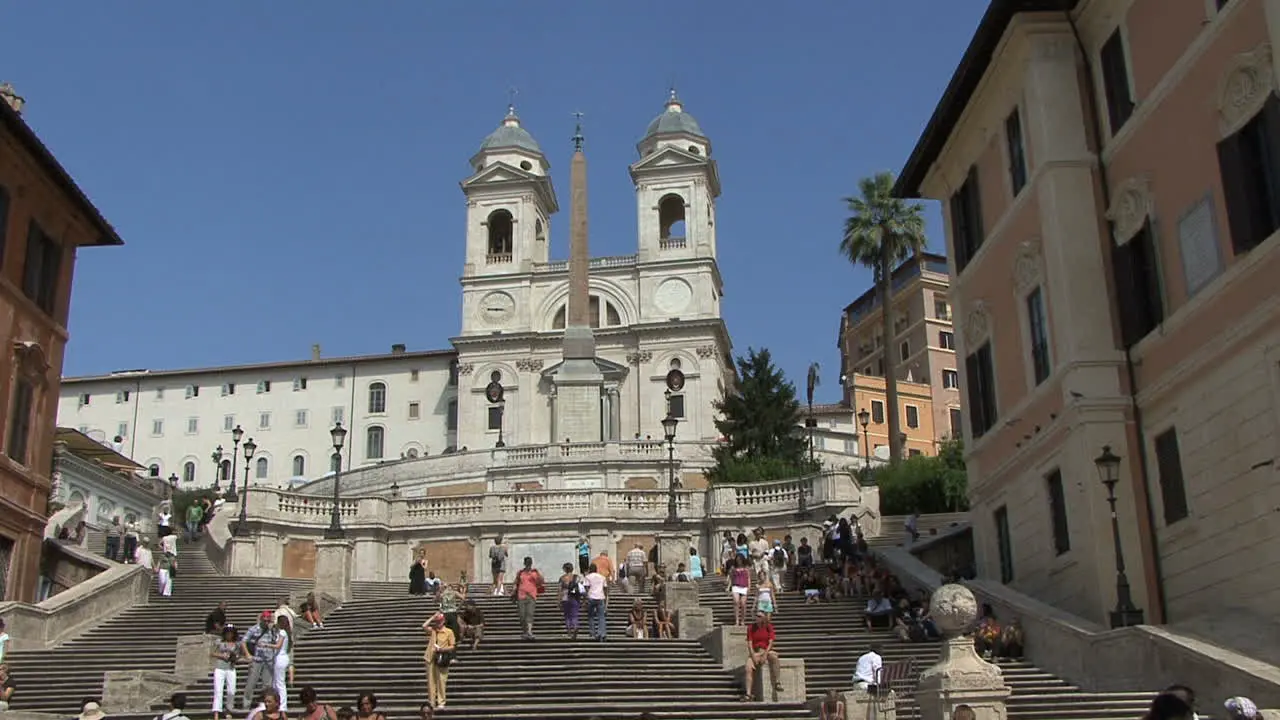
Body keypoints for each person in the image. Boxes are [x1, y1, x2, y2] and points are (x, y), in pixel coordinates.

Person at [241, 611, 278, 710]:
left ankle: (264, 705)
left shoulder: (272, 630)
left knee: (267, 685)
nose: (266, 623)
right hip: (257, 660)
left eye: (268, 621)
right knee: (251, 682)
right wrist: (247, 654)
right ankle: (246, 704)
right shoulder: (254, 629)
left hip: (268, 660)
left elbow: (276, 642)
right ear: (261, 620)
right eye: (264, 621)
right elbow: (244, 641)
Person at [743, 612, 782, 702]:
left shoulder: (768, 627)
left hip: (765, 650)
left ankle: (777, 682)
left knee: (774, 657)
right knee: (748, 667)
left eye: (759, 616)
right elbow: (749, 643)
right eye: (756, 616)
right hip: (756, 652)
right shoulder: (751, 628)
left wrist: (765, 654)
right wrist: (753, 656)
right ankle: (748, 694)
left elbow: (771, 642)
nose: (757, 618)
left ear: (763, 618)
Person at [422, 613, 455, 710]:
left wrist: (442, 649)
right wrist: (432, 617)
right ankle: (431, 701)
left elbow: (452, 646)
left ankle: (441, 701)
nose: (438, 623)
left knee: (441, 680)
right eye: (436, 621)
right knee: (431, 682)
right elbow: (424, 626)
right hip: (430, 657)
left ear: (443, 621)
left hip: (442, 657)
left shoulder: (449, 632)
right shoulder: (433, 630)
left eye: (439, 621)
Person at [513, 556, 545, 640]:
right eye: (527, 563)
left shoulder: (534, 573)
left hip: (531, 595)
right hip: (521, 595)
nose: (528, 564)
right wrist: (513, 592)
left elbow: (541, 581)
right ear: (524, 563)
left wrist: (538, 574)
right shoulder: (520, 573)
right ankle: (525, 631)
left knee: (530, 614)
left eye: (529, 563)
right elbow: (516, 582)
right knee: (522, 615)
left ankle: (529, 632)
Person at [211, 626, 239, 720]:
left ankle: (228, 709)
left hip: (230, 668)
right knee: (218, 690)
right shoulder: (220, 642)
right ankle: (216, 712)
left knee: (231, 690)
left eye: (231, 633)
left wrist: (234, 657)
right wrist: (222, 655)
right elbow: (212, 653)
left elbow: (239, 655)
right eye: (228, 633)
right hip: (220, 668)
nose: (229, 635)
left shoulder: (236, 644)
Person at [272, 616, 293, 710]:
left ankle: (283, 705)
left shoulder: (282, 632)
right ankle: (277, 703)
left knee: (280, 683)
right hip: (281, 657)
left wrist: (266, 645)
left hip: (280, 658)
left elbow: (278, 645)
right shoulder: (285, 632)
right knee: (276, 682)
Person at [584, 562, 609, 642]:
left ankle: (592, 632)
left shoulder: (587, 577)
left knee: (591, 616)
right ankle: (602, 633)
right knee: (601, 616)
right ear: (596, 569)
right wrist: (605, 598)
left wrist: (585, 599)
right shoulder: (602, 577)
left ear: (589, 569)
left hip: (591, 597)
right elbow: (605, 588)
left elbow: (586, 588)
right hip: (600, 597)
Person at [558, 562, 583, 639]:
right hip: (574, 597)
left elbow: (559, 590)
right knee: (574, 614)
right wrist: (583, 598)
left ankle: (569, 632)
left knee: (567, 616)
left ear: (565, 569)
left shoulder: (562, 578)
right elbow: (581, 588)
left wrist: (558, 600)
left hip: (565, 598)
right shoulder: (577, 577)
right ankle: (575, 626)